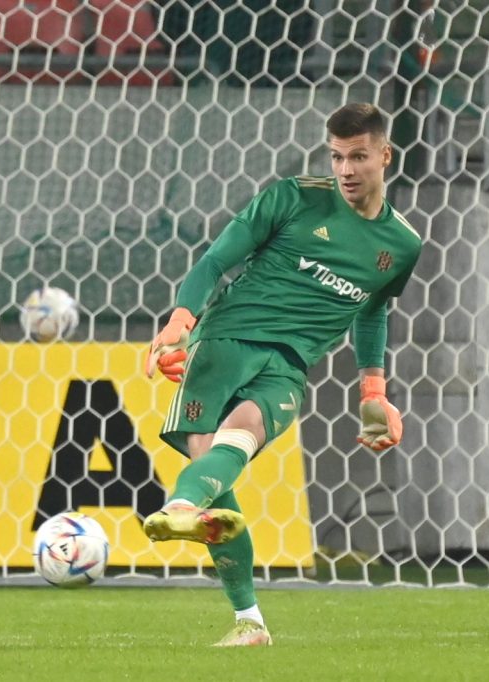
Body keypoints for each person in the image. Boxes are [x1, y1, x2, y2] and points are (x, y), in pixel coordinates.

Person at [142, 103, 422, 647]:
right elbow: (214, 261)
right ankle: (248, 616)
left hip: (290, 366)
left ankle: (185, 510)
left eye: (358, 157)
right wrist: (180, 321)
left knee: (238, 443)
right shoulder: (293, 197)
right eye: (336, 157)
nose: (345, 170)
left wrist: (374, 390)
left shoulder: (402, 244)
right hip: (225, 342)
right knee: (215, 462)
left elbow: (372, 311)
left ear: (385, 156)